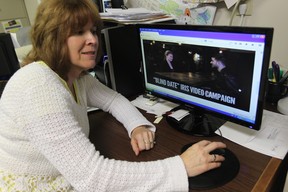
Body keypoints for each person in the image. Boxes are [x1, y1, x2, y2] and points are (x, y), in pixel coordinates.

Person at [0, 0, 226, 191]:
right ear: (52, 37)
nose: (93, 39)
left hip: (65, 176)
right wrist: (180, 166)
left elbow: (113, 99)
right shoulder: (38, 86)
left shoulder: (75, 77)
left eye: (94, 31)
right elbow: (93, 178)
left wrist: (137, 125)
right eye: (79, 32)